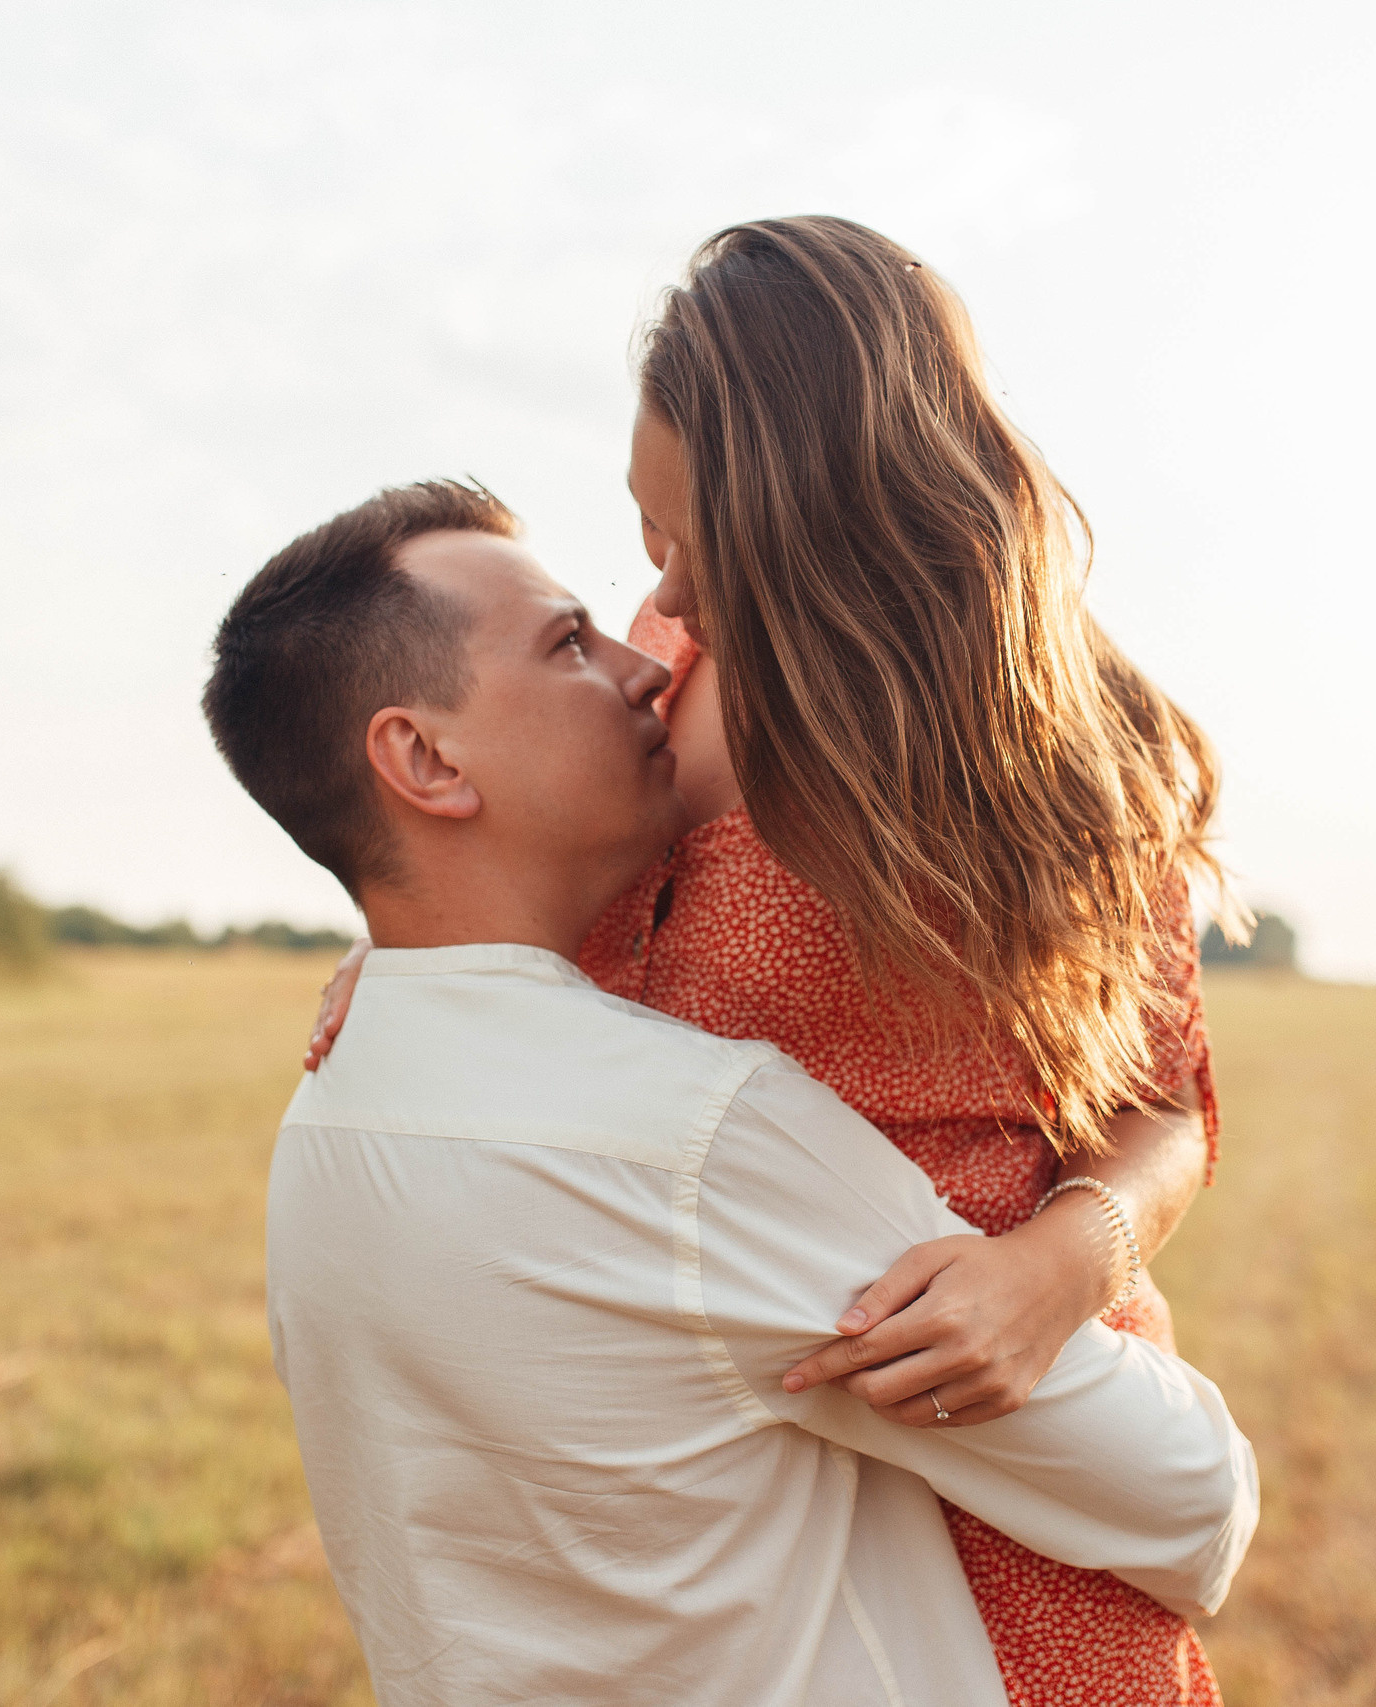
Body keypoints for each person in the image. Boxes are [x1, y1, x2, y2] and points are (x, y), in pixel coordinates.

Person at [310, 217, 1240, 1703]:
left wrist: (1061, 1268)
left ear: (816, 514)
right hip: (724, 1417)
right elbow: (502, 879)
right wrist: (410, 975)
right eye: (647, 535)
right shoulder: (650, 682)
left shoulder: (1057, 739)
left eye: (689, 541)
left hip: (973, 1420)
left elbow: (1164, 1107)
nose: (660, 598)